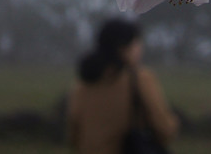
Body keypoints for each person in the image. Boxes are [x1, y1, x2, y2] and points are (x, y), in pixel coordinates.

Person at [67, 18, 179, 154]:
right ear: (124, 48)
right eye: (136, 44)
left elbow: (74, 135)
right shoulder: (140, 79)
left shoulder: (83, 85)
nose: (140, 49)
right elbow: (164, 128)